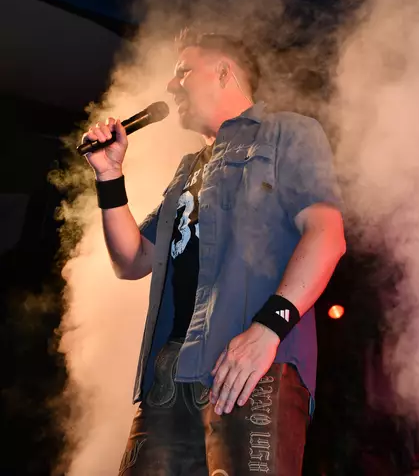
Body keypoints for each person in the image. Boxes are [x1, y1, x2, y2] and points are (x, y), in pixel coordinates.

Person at [82, 32, 346, 476]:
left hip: (251, 366)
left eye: (183, 72)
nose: (171, 86)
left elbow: (327, 235)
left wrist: (268, 329)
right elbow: (132, 260)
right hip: (169, 376)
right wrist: (109, 177)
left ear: (225, 71)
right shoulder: (187, 170)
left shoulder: (287, 132)